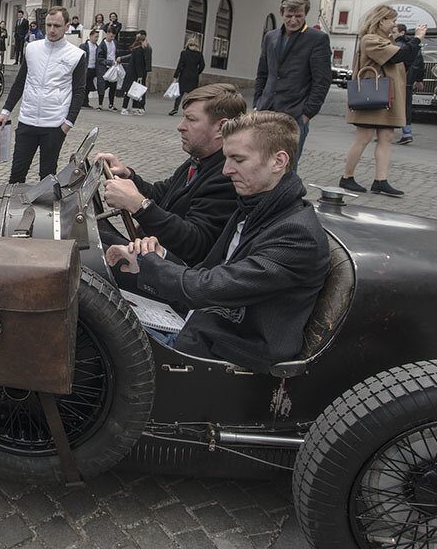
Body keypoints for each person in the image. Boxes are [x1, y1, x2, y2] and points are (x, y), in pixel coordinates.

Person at [106, 111, 329, 373]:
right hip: (201, 325)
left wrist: (147, 262)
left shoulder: (296, 234)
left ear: (278, 161)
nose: (226, 170)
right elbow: (210, 270)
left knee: (92, 331)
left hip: (224, 351)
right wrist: (162, 255)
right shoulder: (255, 204)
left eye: (238, 159)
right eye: (226, 158)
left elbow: (209, 287)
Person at [97, 83, 246, 266]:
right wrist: (128, 176)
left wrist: (137, 205)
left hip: (174, 272)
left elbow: (196, 244)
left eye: (191, 119)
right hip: (153, 254)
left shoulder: (227, 175)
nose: (180, 127)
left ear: (221, 127)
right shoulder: (200, 160)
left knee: (82, 250)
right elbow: (162, 195)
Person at [0, 6, 88, 183]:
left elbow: (79, 91)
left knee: (47, 177)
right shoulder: (32, 48)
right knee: (16, 175)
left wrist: (68, 123)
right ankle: (13, 210)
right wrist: (6, 111)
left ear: (67, 26)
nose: (52, 30)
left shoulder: (76, 55)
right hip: (27, 121)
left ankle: (45, 210)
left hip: (54, 125)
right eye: (49, 25)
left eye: (57, 26)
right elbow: (20, 82)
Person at [339, 7, 426, 197]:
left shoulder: (387, 41)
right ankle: (347, 177)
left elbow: (405, 59)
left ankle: (381, 180)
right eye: (392, 20)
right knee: (364, 137)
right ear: (381, 21)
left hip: (387, 97)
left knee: (386, 138)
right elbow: (397, 56)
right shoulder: (370, 40)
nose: (394, 24)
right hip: (372, 95)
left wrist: (415, 45)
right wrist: (417, 38)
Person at [253, 0, 331, 167]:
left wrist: (307, 113)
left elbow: (322, 80)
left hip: (295, 113)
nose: (293, 20)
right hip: (266, 111)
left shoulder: (317, 39)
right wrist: (258, 103)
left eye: (299, 16)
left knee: (286, 167)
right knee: (261, 164)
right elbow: (263, 73)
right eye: (289, 16)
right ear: (282, 13)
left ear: (305, 14)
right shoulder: (270, 37)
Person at [392, 24, 425, 145]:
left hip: (399, 79)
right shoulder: (414, 46)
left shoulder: (397, 45)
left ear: (402, 32)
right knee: (406, 106)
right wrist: (419, 79)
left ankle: (386, 130)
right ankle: (407, 132)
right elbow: (420, 63)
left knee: (392, 104)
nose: (392, 34)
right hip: (409, 80)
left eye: (394, 32)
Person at [169, 38, 205, 116]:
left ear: (188, 44)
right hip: (194, 76)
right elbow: (202, 65)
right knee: (191, 95)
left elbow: (180, 65)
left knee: (180, 93)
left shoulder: (184, 53)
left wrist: (176, 76)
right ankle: (188, 110)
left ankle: (175, 108)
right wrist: (197, 72)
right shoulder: (199, 54)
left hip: (184, 75)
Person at [120, 34, 150, 116]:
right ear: (142, 42)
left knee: (134, 91)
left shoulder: (137, 50)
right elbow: (138, 64)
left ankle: (134, 107)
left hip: (132, 73)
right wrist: (140, 75)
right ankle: (124, 108)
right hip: (133, 74)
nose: (146, 43)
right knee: (129, 91)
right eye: (145, 41)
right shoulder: (139, 51)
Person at [96, 29, 120, 110]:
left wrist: (117, 59)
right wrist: (109, 62)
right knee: (102, 86)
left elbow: (116, 53)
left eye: (114, 36)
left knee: (113, 86)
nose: (112, 38)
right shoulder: (102, 45)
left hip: (113, 68)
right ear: (107, 34)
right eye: (111, 36)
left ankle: (111, 104)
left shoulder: (115, 43)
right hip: (105, 68)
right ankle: (100, 104)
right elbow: (99, 58)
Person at [79, 30, 100, 107]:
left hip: (93, 68)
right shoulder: (84, 46)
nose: (97, 39)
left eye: (97, 37)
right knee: (84, 85)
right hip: (86, 68)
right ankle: (83, 101)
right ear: (90, 36)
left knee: (89, 86)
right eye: (95, 36)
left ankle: (85, 101)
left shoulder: (97, 47)